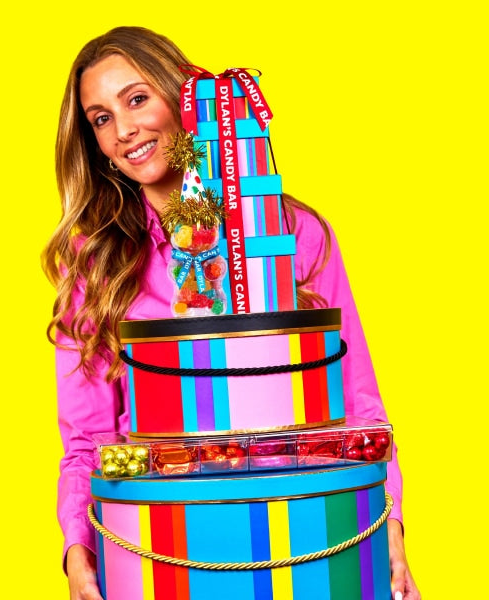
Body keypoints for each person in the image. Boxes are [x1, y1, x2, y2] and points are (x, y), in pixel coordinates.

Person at [43, 25, 421, 600]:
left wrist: (389, 523)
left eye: (137, 99)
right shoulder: (97, 263)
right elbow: (86, 437)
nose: (123, 130)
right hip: (158, 549)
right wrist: (78, 552)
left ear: (182, 97)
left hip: (305, 541)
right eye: (101, 118)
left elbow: (358, 400)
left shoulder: (292, 233)